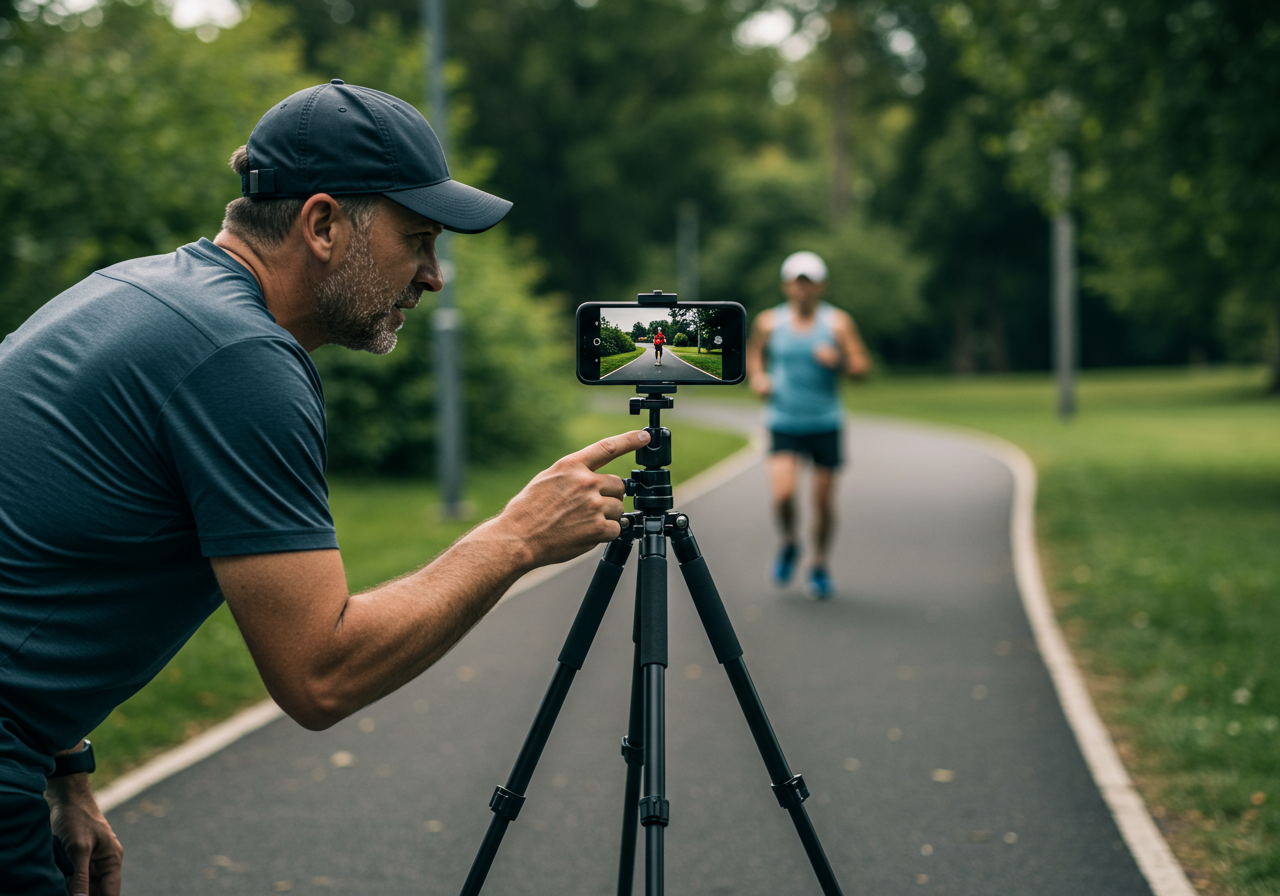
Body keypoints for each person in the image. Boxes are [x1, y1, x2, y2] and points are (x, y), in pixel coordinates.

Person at [0, 81, 650, 896]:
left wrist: (65, 768)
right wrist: (516, 538)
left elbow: (33, 543)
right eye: (418, 241)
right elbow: (321, 675)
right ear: (321, 223)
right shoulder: (240, 359)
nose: (433, 277)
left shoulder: (134, 289)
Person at [745, 250, 871, 599]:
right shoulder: (769, 322)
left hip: (824, 422)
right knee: (783, 494)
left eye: (810, 283)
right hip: (783, 420)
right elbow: (754, 353)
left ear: (821, 286)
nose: (803, 290)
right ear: (787, 286)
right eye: (798, 283)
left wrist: (840, 361)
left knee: (823, 503)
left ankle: (818, 565)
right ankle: (789, 542)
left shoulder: (837, 323)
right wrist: (758, 377)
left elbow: (863, 366)